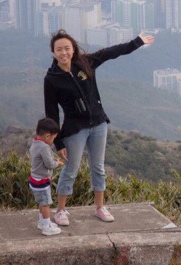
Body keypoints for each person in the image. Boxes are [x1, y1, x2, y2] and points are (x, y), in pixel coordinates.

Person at [44, 29, 155, 226]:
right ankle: (60, 211)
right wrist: (57, 142)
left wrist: (137, 42)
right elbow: (51, 113)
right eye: (59, 49)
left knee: (98, 167)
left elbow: (111, 52)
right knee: (71, 169)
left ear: (73, 49)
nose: (64, 53)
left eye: (67, 48)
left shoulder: (85, 63)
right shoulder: (51, 79)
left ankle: (100, 208)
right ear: (53, 52)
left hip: (98, 124)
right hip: (74, 129)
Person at [29, 117, 63, 236]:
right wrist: (58, 164)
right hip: (42, 181)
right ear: (48, 136)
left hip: (34, 179)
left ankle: (42, 222)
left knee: (41, 202)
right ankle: (47, 227)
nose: (53, 141)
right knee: (46, 204)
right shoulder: (44, 147)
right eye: (53, 138)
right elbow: (49, 164)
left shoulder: (35, 143)